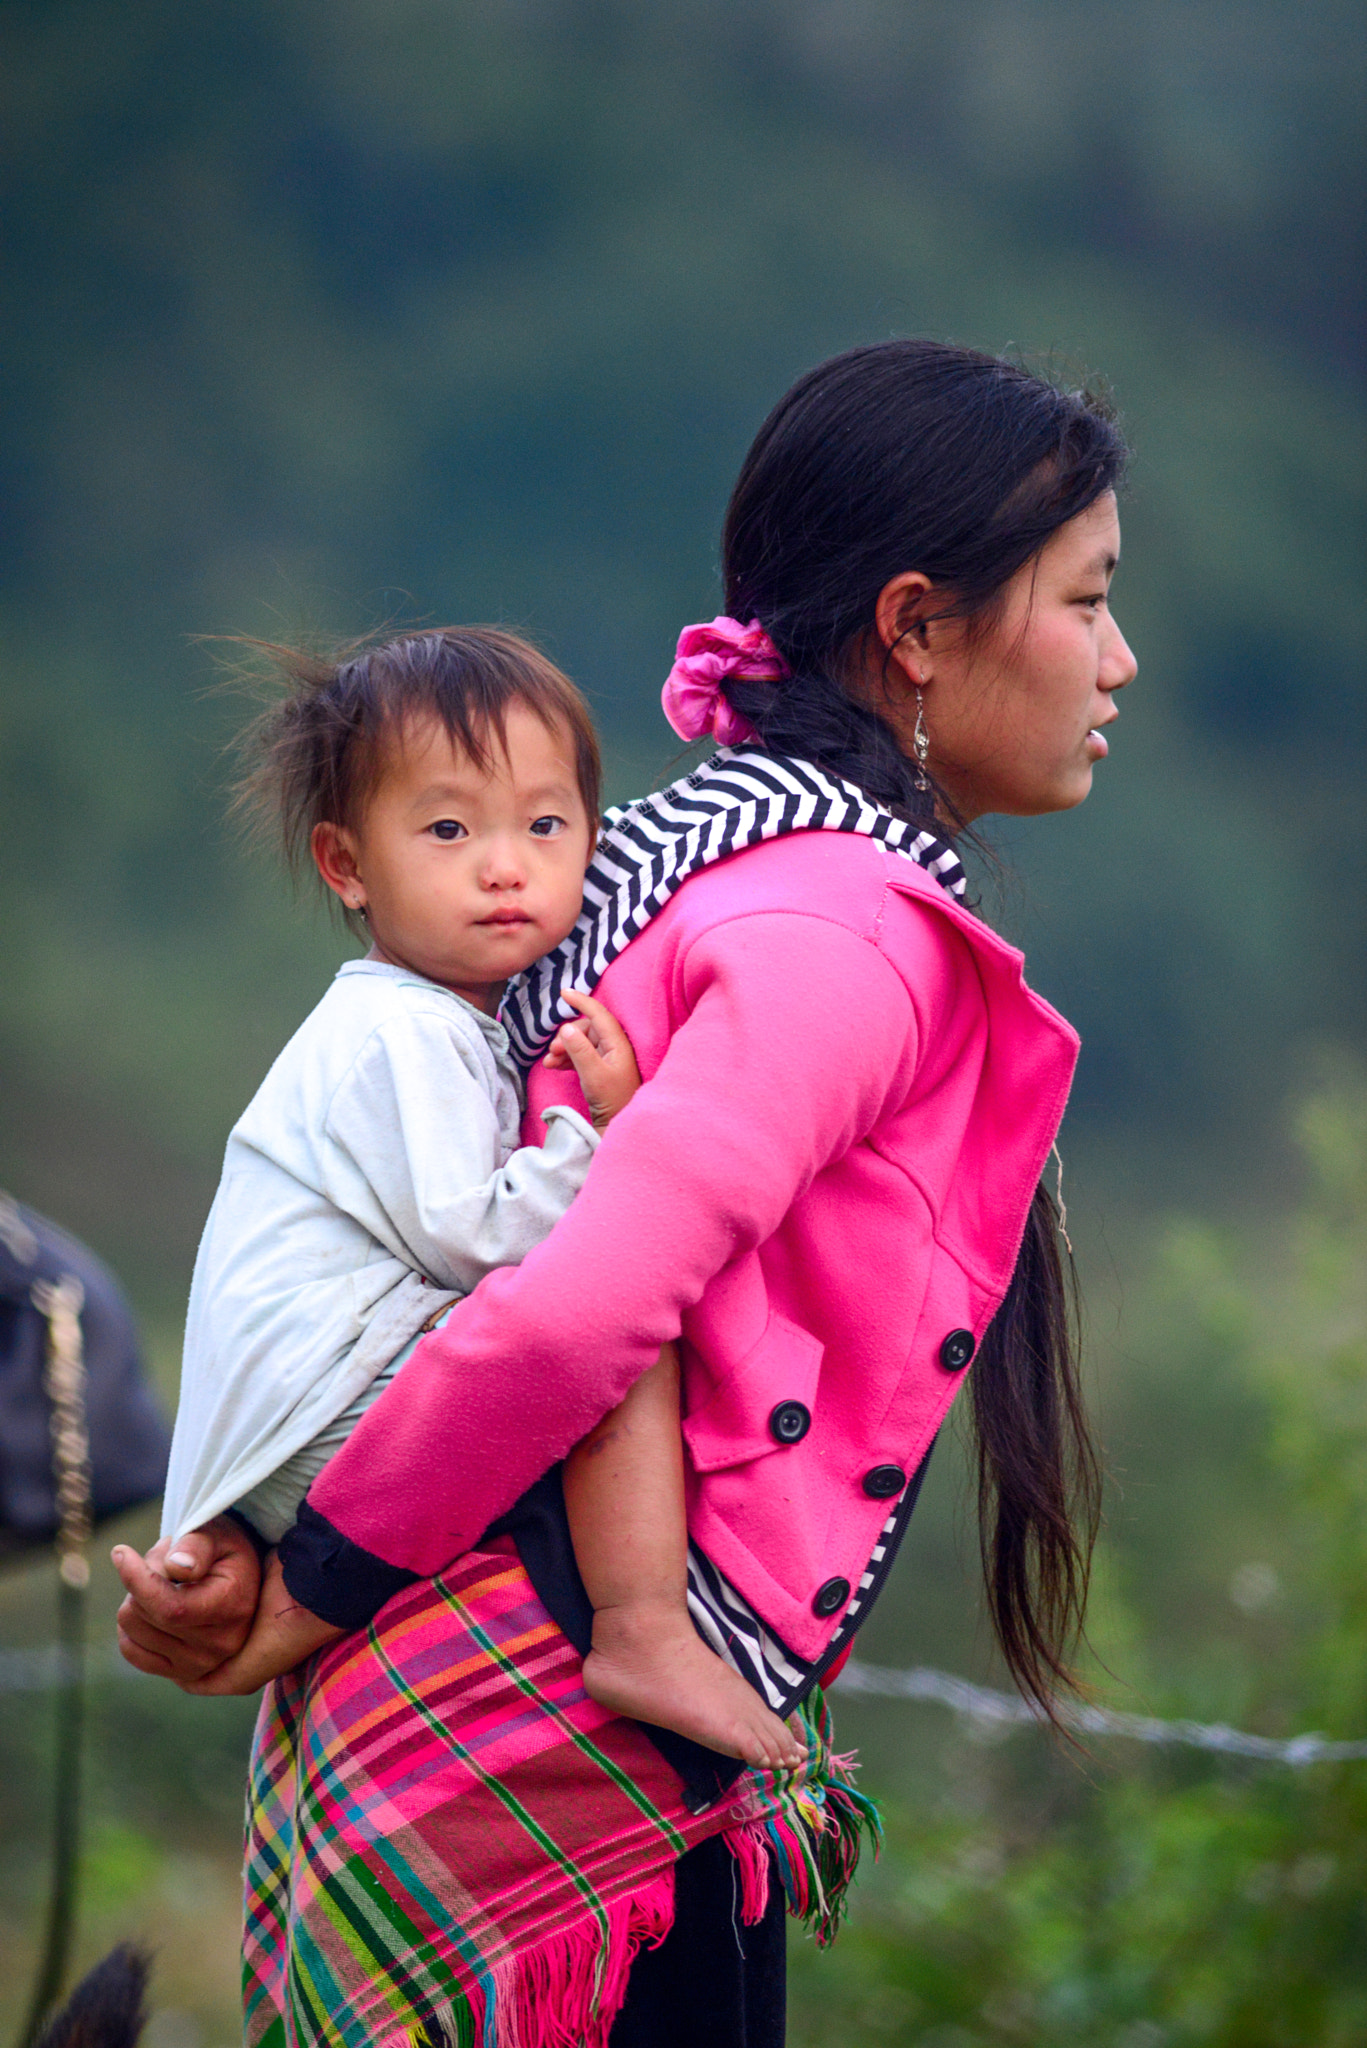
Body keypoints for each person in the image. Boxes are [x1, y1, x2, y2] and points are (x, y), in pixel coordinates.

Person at [116, 338, 1137, 2048]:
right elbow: (583, 1297)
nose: (1119, 658)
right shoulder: (840, 932)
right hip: (546, 1749)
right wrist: (305, 1586)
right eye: (1086, 599)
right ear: (915, 628)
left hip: (446, 1673)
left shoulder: (688, 851)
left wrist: (308, 1567)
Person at [154, 625, 802, 1770]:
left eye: (544, 826)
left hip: (301, 1411)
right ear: (346, 864)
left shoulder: (438, 1018)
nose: (504, 865)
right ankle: (642, 1623)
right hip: (327, 1404)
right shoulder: (395, 1031)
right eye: (448, 829)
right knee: (610, 1323)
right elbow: (482, 1239)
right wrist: (596, 1130)